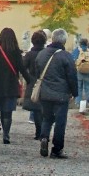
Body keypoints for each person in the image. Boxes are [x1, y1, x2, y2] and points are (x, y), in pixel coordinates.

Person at [32, 28, 77, 159]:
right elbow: (72, 76)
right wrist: (74, 92)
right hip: (61, 94)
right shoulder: (66, 56)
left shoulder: (41, 54)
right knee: (60, 121)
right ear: (64, 41)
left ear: (52, 39)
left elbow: (37, 72)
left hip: (45, 92)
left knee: (47, 117)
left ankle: (44, 137)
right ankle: (57, 149)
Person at [24, 30, 51, 145]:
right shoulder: (47, 53)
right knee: (44, 108)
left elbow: (23, 66)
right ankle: (44, 132)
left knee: (35, 109)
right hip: (45, 81)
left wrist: (28, 79)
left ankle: (38, 131)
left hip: (33, 81)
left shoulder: (29, 54)